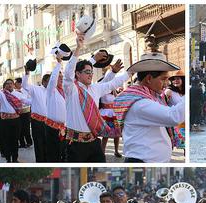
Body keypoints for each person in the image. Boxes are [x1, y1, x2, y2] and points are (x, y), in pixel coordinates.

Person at [112, 37, 184, 163]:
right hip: (142, 162)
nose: (167, 83)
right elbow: (173, 116)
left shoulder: (149, 97)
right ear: (149, 78)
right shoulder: (140, 103)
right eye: (163, 79)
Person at [63, 32, 129, 162]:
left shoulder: (94, 88)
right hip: (75, 145)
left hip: (93, 142)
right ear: (77, 74)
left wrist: (130, 72)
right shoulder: (71, 89)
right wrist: (78, 48)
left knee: (100, 174)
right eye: (87, 72)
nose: (90, 75)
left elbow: (111, 84)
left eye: (91, 72)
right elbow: (68, 72)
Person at [0, 73, 32, 162]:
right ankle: (8, 158)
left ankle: (14, 158)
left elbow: (27, 101)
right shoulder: (1, 94)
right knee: (6, 140)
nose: (9, 85)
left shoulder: (18, 94)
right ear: (5, 86)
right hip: (4, 121)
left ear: (13, 85)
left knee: (15, 140)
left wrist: (41, 101)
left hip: (16, 120)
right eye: (7, 84)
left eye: (11, 83)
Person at [45, 54, 67, 162]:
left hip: (64, 129)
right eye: (60, 78)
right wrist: (59, 64)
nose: (61, 79)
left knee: (64, 153)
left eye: (62, 78)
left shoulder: (65, 92)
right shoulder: (51, 91)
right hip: (52, 129)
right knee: (54, 155)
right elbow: (53, 79)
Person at [15, 77, 33, 149]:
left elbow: (29, 99)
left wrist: (24, 102)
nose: (16, 85)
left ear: (20, 83)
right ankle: (22, 143)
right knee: (19, 128)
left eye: (17, 83)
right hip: (18, 112)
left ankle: (29, 142)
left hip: (26, 112)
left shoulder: (26, 90)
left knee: (26, 128)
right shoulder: (14, 92)